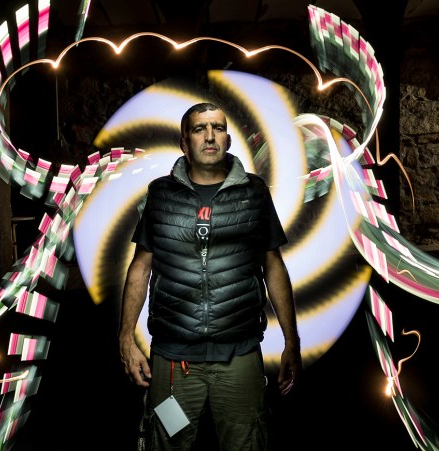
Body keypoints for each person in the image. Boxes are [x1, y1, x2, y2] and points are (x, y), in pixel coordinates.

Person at [118, 102, 302, 451]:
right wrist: (126, 338)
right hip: (174, 360)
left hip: (239, 356)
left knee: (246, 444)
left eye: (218, 128)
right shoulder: (161, 194)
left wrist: (292, 341)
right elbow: (140, 266)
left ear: (228, 139)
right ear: (184, 142)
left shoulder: (253, 192)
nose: (210, 136)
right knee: (167, 443)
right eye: (199, 129)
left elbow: (273, 265)